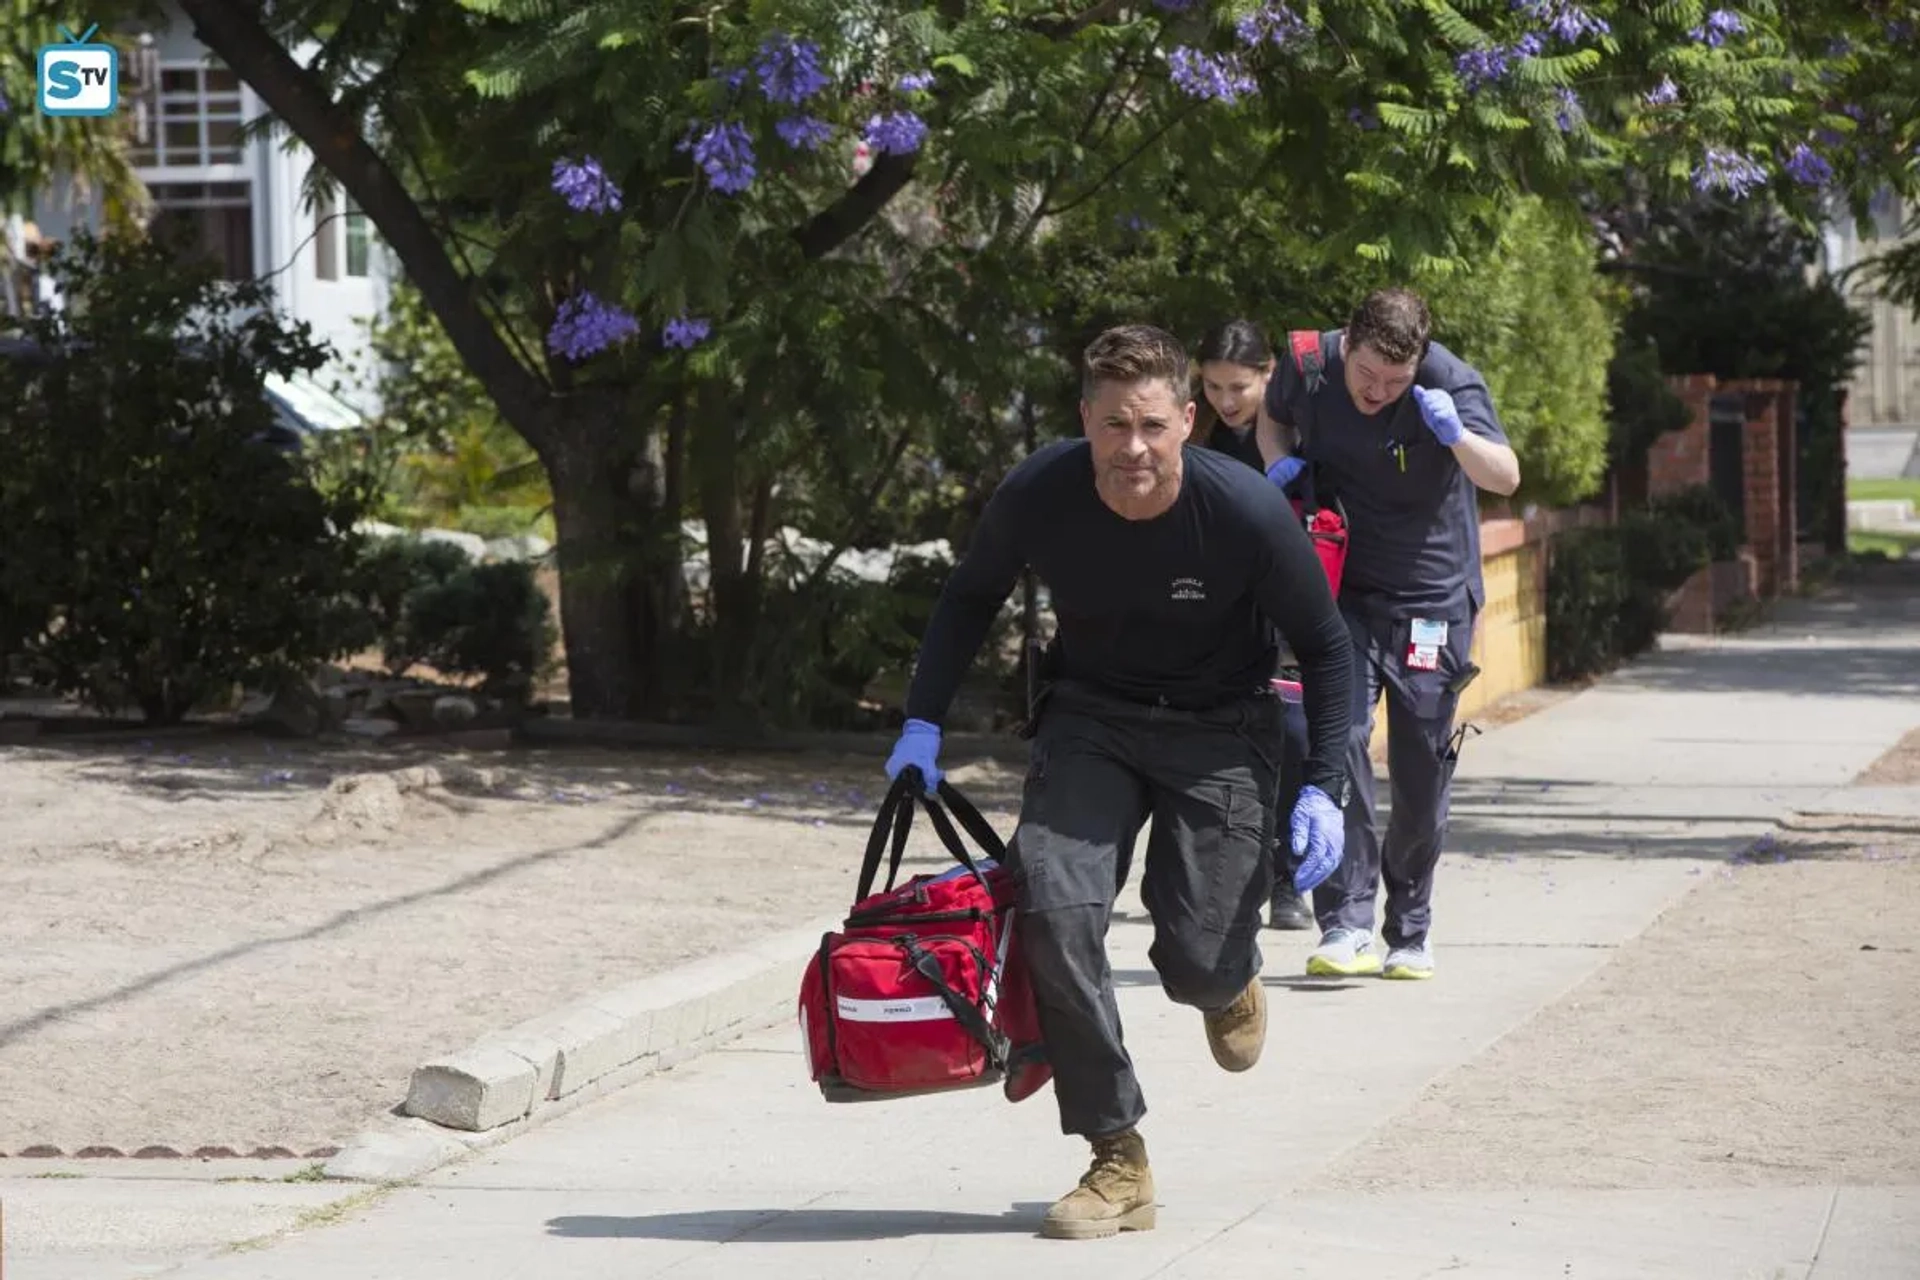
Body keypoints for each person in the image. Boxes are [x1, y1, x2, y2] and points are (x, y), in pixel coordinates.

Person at [884, 324, 1356, 1241]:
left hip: (1222, 729)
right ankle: (1116, 1157)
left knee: (1193, 956)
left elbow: (1329, 648)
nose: (1130, 448)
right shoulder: (1041, 492)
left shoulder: (1245, 511)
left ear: (1186, 419)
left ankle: (1226, 980)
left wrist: (1323, 784)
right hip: (1090, 718)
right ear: (1085, 421)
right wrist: (921, 720)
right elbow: (970, 593)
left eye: (1149, 424)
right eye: (1111, 425)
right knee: (1057, 911)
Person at [1254, 287, 1521, 982]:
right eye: (1367, 375)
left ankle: (1410, 928)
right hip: (1343, 590)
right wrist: (1277, 463)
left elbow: (1507, 475)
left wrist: (1456, 436)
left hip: (1433, 596)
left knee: (1419, 766)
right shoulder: (1309, 363)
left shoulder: (1448, 381)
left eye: (1395, 382)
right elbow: (1272, 421)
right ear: (1350, 340)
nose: (1377, 392)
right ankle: (1344, 922)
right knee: (1332, 739)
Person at [1194, 319, 1314, 932]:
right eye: (1213, 386)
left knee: (1295, 740)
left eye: (1238, 385)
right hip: (1226, 613)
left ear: (1269, 374)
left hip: (1290, 610)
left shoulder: (1299, 439)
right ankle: (1228, 876)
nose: (1226, 400)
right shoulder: (1202, 444)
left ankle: (1289, 880)